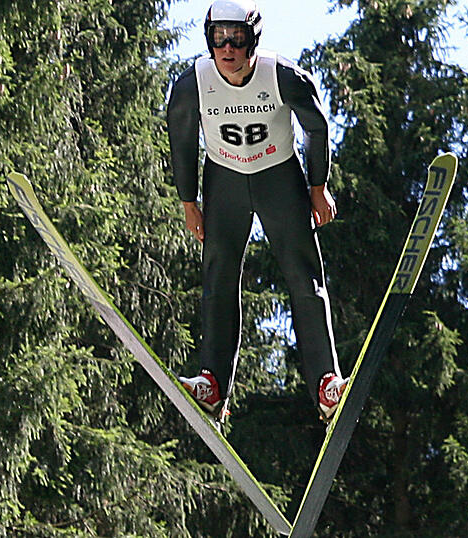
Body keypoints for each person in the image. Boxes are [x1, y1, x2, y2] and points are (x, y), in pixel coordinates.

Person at [166, 0, 347, 423]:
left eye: (237, 39)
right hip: (224, 178)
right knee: (218, 273)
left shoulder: (281, 75)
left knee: (304, 276)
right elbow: (181, 136)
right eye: (218, 39)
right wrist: (189, 201)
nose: (227, 49)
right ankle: (212, 383)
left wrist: (317, 187)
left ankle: (326, 383)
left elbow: (317, 127)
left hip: (276, 176)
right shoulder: (194, 81)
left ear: (252, 38)